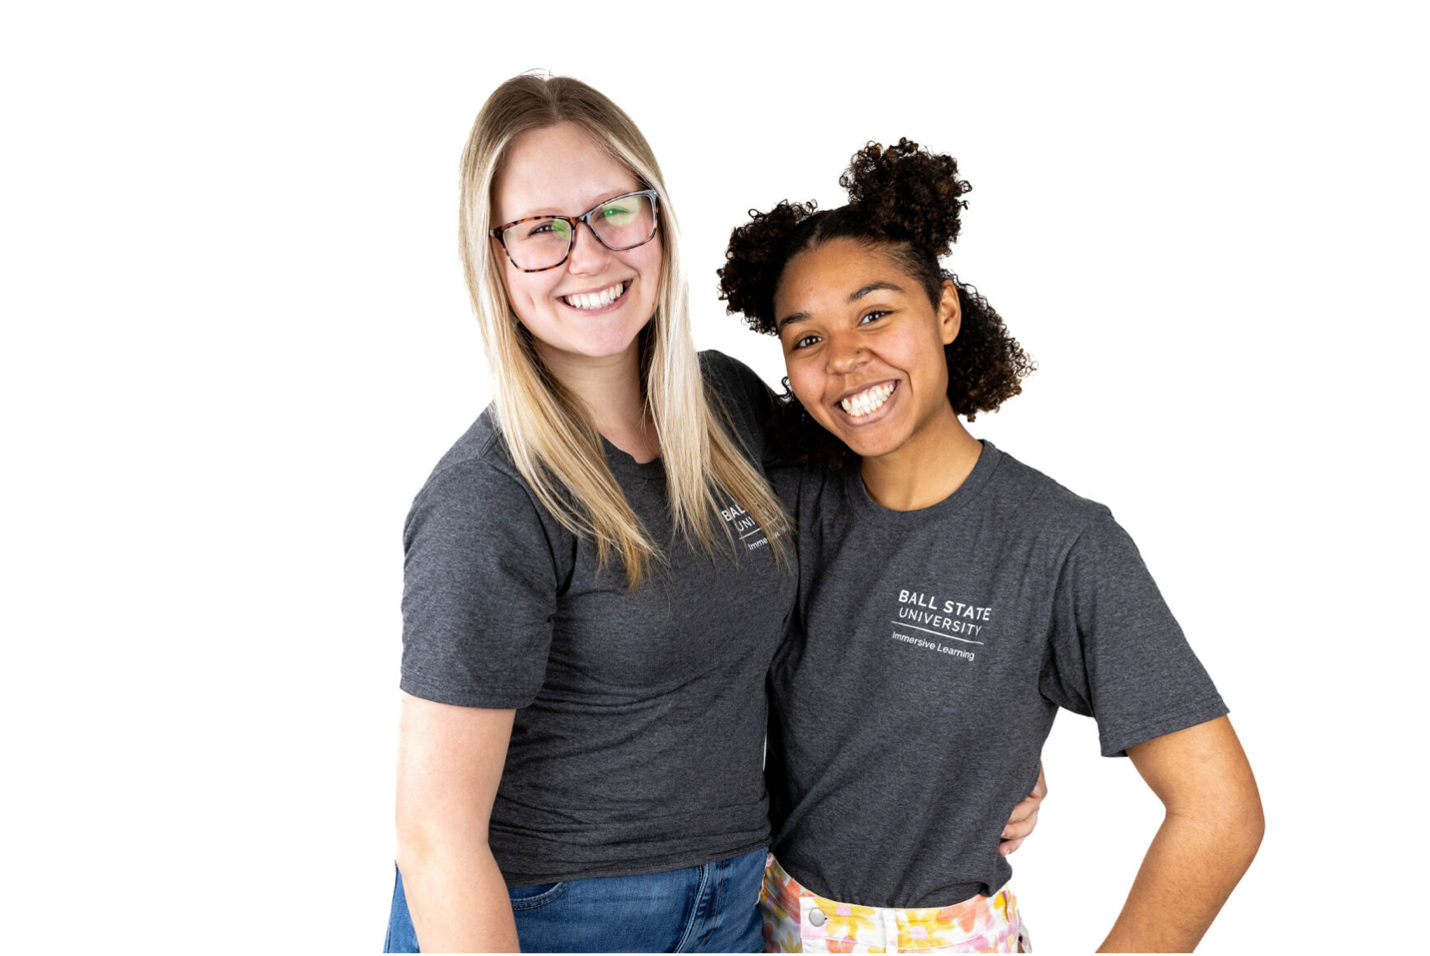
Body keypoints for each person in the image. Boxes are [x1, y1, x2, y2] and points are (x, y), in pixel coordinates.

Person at [387, 76, 1044, 955]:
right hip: (550, 918)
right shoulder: (489, 500)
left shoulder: (727, 407)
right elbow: (435, 840)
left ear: (657, 220)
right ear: (494, 261)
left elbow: (888, 540)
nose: (588, 255)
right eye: (540, 230)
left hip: (738, 905)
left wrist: (977, 726)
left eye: (615, 210)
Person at [718, 140, 1264, 954]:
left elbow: (1221, 814)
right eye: (806, 339)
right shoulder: (786, 500)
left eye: (875, 314)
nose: (843, 359)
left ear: (944, 311)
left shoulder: (1061, 544)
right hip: (760, 926)